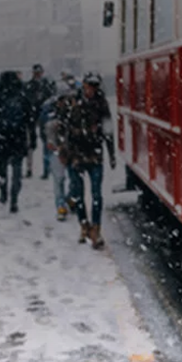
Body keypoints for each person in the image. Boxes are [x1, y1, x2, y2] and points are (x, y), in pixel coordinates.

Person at [60, 73, 117, 248]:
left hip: (94, 153)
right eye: (88, 86)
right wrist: (63, 149)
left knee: (96, 195)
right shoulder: (72, 101)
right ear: (83, 85)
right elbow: (62, 127)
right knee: (78, 193)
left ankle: (96, 229)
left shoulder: (101, 104)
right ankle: (84, 225)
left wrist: (111, 154)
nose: (91, 90)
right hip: (75, 154)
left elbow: (108, 130)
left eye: (94, 87)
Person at [0, 71, 31, 213]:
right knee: (17, 170)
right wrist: (32, 139)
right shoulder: (22, 97)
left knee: (2, 170)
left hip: (1, 138)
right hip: (18, 138)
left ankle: (3, 193)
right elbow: (29, 120)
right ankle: (14, 198)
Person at [42, 74, 79, 221]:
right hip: (56, 148)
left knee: (73, 179)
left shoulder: (74, 109)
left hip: (69, 147)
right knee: (59, 178)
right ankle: (61, 205)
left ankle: (68, 199)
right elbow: (44, 128)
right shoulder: (49, 109)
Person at [22, 64, 57, 179]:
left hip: (38, 117)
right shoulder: (43, 86)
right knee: (32, 145)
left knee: (41, 144)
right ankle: (36, 169)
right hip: (35, 117)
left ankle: (43, 169)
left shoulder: (33, 86)